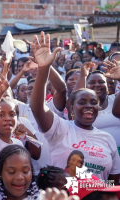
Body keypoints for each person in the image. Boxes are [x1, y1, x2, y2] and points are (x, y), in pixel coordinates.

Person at [29, 32, 120, 182]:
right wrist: (44, 68)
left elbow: (113, 181)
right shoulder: (60, 129)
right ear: (71, 108)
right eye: (82, 102)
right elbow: (37, 108)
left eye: (93, 102)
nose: (88, 106)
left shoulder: (108, 139)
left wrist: (97, 190)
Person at [74, 63, 120, 155]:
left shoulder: (115, 99)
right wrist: (83, 75)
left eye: (101, 82)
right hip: (94, 157)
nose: (97, 85)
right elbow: (75, 97)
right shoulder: (82, 108)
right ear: (85, 87)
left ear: (107, 86)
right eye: (92, 82)